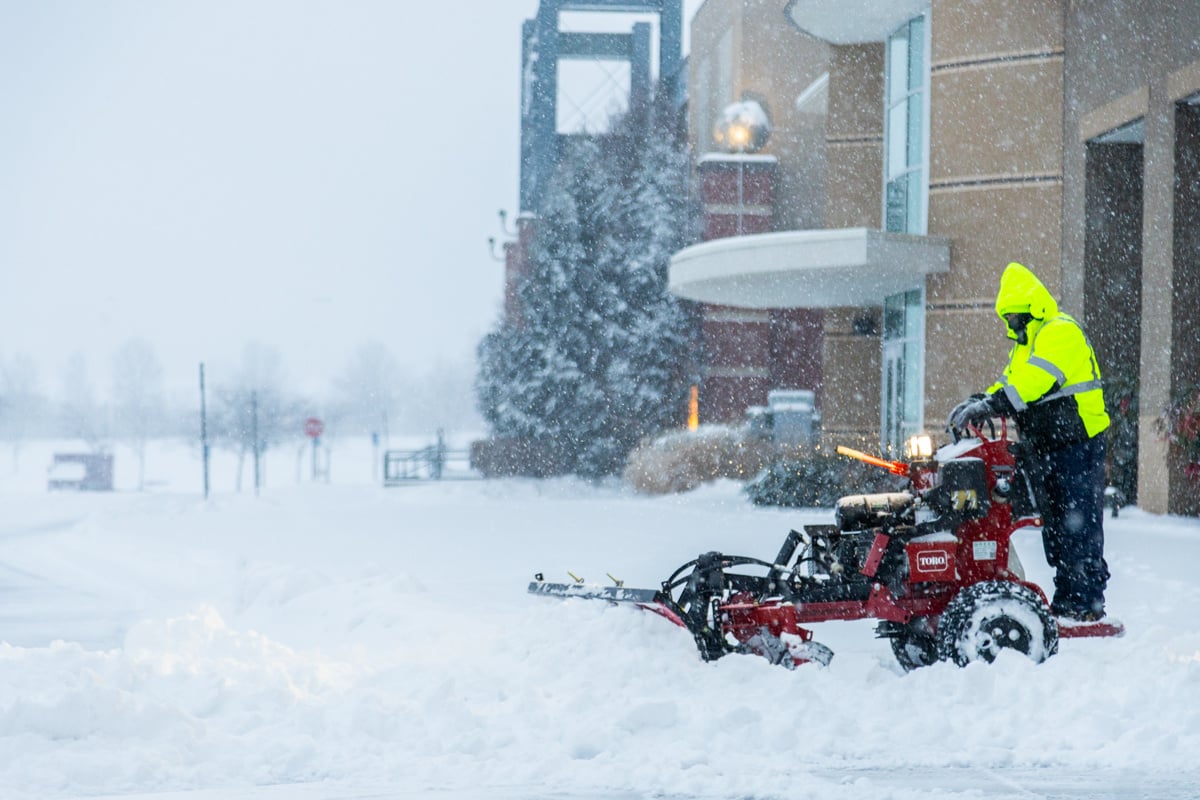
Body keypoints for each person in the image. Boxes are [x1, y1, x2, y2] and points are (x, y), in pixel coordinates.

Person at [947, 261, 1110, 622]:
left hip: (1077, 443)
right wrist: (979, 401)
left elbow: (1033, 383)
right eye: (1007, 318)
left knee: (1077, 523)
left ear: (1032, 309)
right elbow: (1009, 382)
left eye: (1014, 317)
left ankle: (1086, 601)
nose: (1011, 325)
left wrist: (991, 405)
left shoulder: (1059, 331)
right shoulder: (1027, 344)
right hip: (1048, 445)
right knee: (1056, 524)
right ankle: (1068, 598)